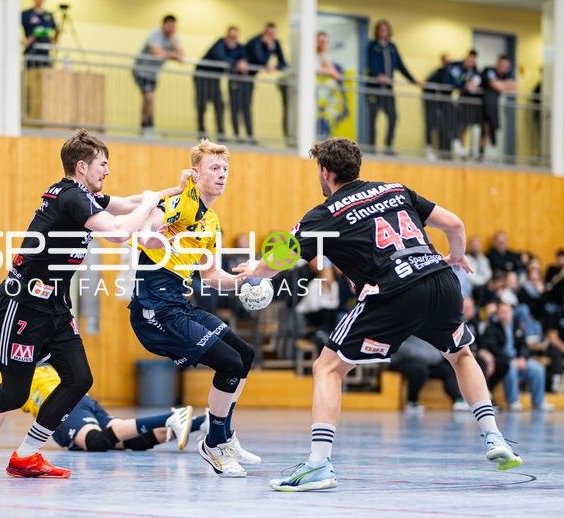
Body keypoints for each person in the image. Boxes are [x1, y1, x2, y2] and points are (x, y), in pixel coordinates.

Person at [237, 136, 522, 492]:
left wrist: (254, 270)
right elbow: (455, 225)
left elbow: (278, 260)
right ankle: (495, 438)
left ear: (325, 172)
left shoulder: (325, 214)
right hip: (441, 281)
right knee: (462, 354)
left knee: (327, 367)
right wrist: (457, 257)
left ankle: (319, 464)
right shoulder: (394, 190)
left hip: (395, 290)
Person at [0, 129, 186, 479]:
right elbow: (120, 232)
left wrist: (176, 192)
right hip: (23, 305)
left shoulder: (85, 197)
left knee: (79, 379)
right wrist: (152, 204)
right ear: (81, 166)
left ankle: (27, 456)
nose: (107, 171)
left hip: (56, 308)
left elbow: (130, 202)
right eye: (103, 165)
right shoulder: (71, 198)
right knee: (13, 393)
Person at [130, 139, 260, 478]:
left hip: (178, 304)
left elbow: (212, 275)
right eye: (214, 169)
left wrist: (247, 278)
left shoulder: (212, 221)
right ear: (195, 173)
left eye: (225, 169)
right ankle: (214, 444)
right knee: (228, 363)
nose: (221, 175)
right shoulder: (176, 205)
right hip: (153, 310)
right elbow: (147, 230)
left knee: (243, 354)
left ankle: (223, 436)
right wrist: (154, 231)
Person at [0, 340, 208, 451]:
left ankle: (174, 418)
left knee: (97, 442)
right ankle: (203, 422)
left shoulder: (15, 374)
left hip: (63, 407)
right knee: (125, 441)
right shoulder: (36, 366)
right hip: (82, 404)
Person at [480, 302, 553, 412]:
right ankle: (513, 401)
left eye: (507, 312)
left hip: (519, 360)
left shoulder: (517, 325)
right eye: (502, 312)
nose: (505, 314)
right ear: (498, 314)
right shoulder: (492, 327)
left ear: (512, 313)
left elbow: (523, 345)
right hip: (504, 362)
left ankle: (538, 402)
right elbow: (493, 348)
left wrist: (523, 358)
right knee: (511, 367)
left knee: (538, 369)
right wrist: (510, 359)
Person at [364, 20, 421, 155]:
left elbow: (401, 66)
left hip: (388, 90)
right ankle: (371, 148)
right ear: (377, 31)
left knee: (393, 117)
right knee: (372, 119)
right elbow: (370, 63)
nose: (383, 32)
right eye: (380, 29)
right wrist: (378, 74)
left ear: (389, 31)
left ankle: (388, 147)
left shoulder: (392, 47)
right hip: (375, 89)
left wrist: (413, 80)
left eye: (385, 29)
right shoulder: (372, 46)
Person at [132, 15, 183, 136]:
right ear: (163, 24)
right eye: (169, 25)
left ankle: (144, 125)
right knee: (149, 97)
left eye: (173, 26)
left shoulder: (173, 39)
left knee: (148, 99)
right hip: (141, 70)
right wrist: (172, 55)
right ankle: (148, 126)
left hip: (153, 74)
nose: (171, 28)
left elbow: (181, 57)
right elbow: (156, 52)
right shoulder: (155, 34)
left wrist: (173, 41)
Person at [388, 336, 468, 413]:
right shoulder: (404, 326)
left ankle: (458, 400)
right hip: (400, 361)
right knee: (420, 370)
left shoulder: (426, 327)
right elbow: (399, 345)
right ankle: (412, 402)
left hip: (425, 361)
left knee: (446, 371)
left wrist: (418, 354)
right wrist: (412, 353)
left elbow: (436, 356)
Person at [194, 26, 246, 141]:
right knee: (202, 105)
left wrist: (242, 61)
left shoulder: (238, 47)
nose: (232, 39)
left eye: (235, 37)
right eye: (231, 36)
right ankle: (201, 134)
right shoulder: (219, 44)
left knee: (219, 105)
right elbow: (220, 57)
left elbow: (243, 56)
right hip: (202, 76)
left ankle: (220, 133)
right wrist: (236, 63)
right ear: (226, 35)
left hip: (215, 79)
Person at [244, 23, 288, 140]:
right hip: (241, 77)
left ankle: (249, 136)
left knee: (248, 106)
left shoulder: (275, 43)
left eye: (273, 34)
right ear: (263, 32)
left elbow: (283, 63)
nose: (270, 37)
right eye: (268, 34)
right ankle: (243, 136)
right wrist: (269, 48)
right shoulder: (255, 41)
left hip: (250, 78)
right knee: (241, 107)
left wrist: (275, 66)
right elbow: (260, 60)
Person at [479, 54, 516, 162]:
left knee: (489, 129)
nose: (504, 69)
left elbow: (515, 87)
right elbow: (496, 85)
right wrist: (503, 85)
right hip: (481, 106)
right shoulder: (488, 71)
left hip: (494, 108)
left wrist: (500, 85)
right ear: (497, 63)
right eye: (502, 65)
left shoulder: (508, 74)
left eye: (507, 67)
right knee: (483, 130)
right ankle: (477, 155)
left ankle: (486, 155)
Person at [449, 50, 482, 160]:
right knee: (460, 126)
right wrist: (465, 85)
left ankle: (463, 150)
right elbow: (457, 82)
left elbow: (476, 83)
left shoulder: (475, 70)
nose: (471, 62)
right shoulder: (458, 67)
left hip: (471, 104)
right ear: (466, 58)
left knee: (466, 127)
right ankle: (458, 150)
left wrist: (470, 85)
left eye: (473, 60)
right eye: (470, 59)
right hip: (462, 102)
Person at [422, 53, 455, 161]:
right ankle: (429, 148)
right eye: (446, 61)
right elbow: (427, 84)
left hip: (444, 105)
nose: (448, 64)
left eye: (450, 61)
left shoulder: (452, 73)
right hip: (434, 103)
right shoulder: (438, 72)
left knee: (446, 126)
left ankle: (446, 152)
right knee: (431, 124)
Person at [21, 0, 58, 69]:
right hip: (31, 53)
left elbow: (54, 36)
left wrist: (55, 36)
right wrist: (26, 40)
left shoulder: (49, 16)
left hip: (45, 55)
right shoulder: (26, 14)